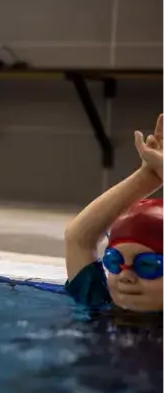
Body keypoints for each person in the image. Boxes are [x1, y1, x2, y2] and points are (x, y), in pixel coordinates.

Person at [64, 113, 164, 311]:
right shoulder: (98, 304)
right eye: (114, 261)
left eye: (148, 265)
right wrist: (146, 176)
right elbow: (78, 238)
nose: (125, 276)